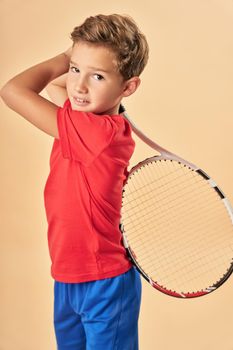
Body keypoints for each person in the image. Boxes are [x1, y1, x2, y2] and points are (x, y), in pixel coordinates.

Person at [0, 14, 149, 350]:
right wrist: (81, 64)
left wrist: (67, 58)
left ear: (128, 87)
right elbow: (57, 87)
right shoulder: (82, 119)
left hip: (104, 283)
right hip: (68, 276)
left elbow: (12, 91)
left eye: (97, 76)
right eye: (76, 70)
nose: (79, 86)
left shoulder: (97, 134)